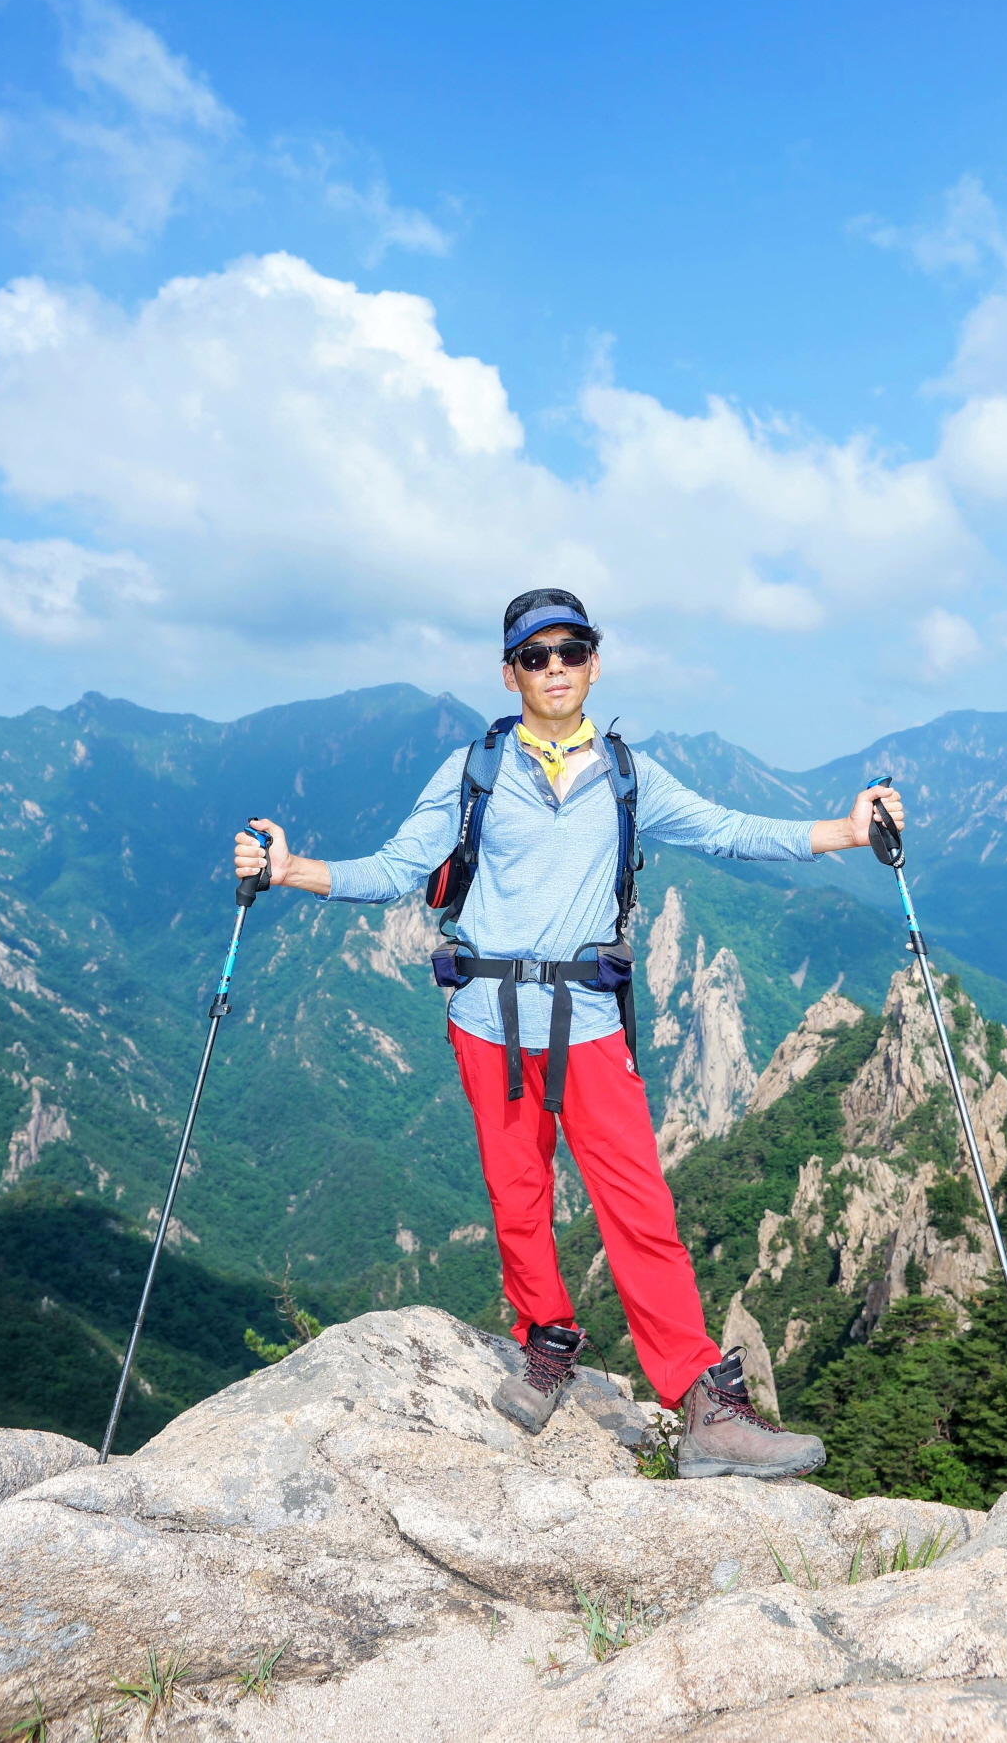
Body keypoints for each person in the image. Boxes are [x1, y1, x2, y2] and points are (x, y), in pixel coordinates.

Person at [235, 587, 906, 1479]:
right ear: (509, 672)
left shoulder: (627, 774)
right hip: (488, 1017)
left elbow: (729, 830)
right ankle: (546, 1340)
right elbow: (397, 868)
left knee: (639, 1206)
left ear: (594, 663)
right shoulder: (473, 771)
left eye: (571, 651)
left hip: (587, 1018)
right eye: (535, 655)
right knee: (517, 1194)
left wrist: (848, 833)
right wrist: (290, 870)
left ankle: (703, 1402)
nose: (555, 668)